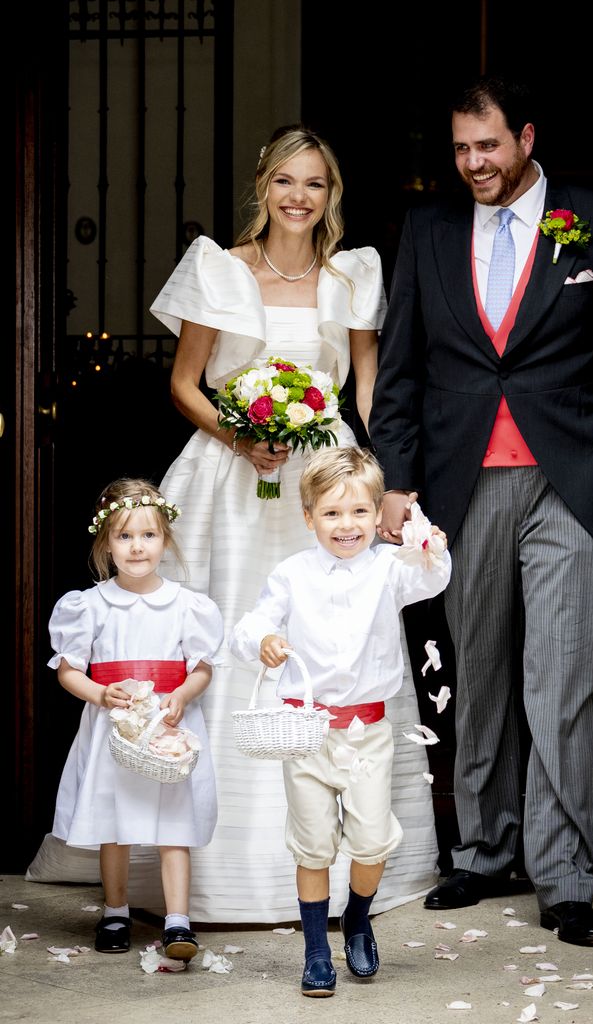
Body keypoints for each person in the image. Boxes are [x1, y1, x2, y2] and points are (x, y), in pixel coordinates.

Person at [25, 124, 439, 920]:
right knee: (220, 643)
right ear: (263, 186)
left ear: (331, 195)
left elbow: (367, 387)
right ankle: (194, 870)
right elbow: (184, 384)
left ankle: (339, 854)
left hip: (322, 477)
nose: (298, 197)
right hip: (230, 473)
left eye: (314, 184)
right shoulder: (219, 267)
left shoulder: (350, 274)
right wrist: (238, 435)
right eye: (285, 181)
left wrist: (383, 479)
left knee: (335, 640)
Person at [369, 76, 593, 947]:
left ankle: (567, 874)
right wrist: (396, 478)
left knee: (564, 681)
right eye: (461, 150)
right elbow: (402, 369)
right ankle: (486, 850)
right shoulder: (425, 231)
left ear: (525, 137)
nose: (474, 164)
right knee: (484, 675)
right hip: (463, 486)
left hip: (569, 483)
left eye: (488, 146)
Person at [231, 447, 452, 996]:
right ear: (308, 517)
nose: (346, 525)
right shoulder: (291, 573)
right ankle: (314, 948)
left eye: (358, 512)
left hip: (367, 736)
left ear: (378, 515)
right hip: (305, 733)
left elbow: (432, 579)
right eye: (331, 513)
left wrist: (429, 548)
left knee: (371, 842)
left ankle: (357, 916)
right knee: (312, 845)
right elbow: (251, 623)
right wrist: (264, 639)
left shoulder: (388, 569)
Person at [44, 478, 223, 958]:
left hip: (167, 726)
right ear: (106, 543)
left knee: (174, 823)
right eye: (124, 536)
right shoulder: (90, 605)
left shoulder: (188, 605)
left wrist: (184, 692)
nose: (137, 546)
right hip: (114, 725)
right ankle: (116, 910)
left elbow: (202, 666)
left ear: (166, 539)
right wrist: (101, 694)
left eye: (148, 535)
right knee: (113, 819)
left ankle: (178, 921)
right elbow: (68, 671)